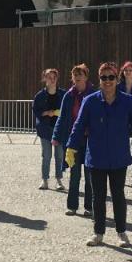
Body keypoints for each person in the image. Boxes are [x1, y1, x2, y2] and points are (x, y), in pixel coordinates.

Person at [66, 61, 132, 248]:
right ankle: (98, 233)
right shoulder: (90, 101)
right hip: (96, 157)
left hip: (118, 158)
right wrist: (71, 147)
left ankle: (122, 232)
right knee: (97, 197)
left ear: (117, 79)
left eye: (111, 77)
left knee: (118, 196)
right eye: (103, 77)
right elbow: (79, 125)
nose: (107, 81)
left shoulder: (128, 102)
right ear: (99, 79)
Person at [52, 64, 94, 216]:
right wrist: (56, 136)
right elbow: (62, 117)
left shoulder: (94, 94)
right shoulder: (68, 96)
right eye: (75, 75)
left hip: (91, 141)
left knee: (90, 176)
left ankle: (89, 207)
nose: (77, 77)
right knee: (74, 174)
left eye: (80, 74)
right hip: (74, 140)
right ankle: (72, 206)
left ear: (86, 77)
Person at [32, 68, 65, 190]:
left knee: (59, 156)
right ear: (44, 79)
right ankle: (44, 180)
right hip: (45, 130)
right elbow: (36, 110)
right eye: (49, 77)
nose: (52, 80)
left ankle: (59, 181)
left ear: (57, 79)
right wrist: (46, 113)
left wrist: (59, 113)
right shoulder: (40, 95)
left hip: (59, 130)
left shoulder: (63, 94)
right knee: (46, 155)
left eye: (54, 77)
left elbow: (67, 110)